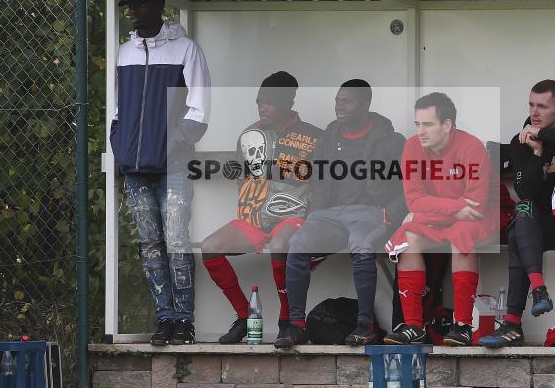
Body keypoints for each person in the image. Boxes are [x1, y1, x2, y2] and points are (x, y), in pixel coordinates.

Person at [110, 0, 211, 346]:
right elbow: (118, 110)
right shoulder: (123, 53)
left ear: (156, 8)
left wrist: (168, 145)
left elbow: (199, 112)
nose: (132, 13)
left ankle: (184, 320)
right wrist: (121, 147)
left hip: (174, 165)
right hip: (136, 167)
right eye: (130, 7)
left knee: (177, 240)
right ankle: (164, 318)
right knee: (150, 243)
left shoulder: (186, 50)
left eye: (138, 7)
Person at [274, 80, 407, 349]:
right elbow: (321, 180)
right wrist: (315, 215)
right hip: (332, 215)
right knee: (298, 243)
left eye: (347, 101)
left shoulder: (391, 140)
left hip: (371, 213)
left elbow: (408, 186)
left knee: (362, 244)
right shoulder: (330, 136)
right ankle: (296, 325)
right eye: (337, 100)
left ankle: (365, 325)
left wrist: (389, 214)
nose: (339, 106)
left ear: (366, 104)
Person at [201, 72, 323, 344]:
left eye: (271, 103)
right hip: (255, 217)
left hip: (293, 217)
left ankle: (287, 321)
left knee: (280, 245)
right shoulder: (249, 134)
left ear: (288, 104)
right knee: (210, 248)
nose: (263, 108)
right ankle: (245, 317)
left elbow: (325, 181)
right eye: (260, 102)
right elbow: (240, 176)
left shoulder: (314, 136)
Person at [384, 92, 496, 346]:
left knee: (461, 235)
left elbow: (476, 206)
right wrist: (454, 208)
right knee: (407, 237)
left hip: (477, 219)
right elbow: (414, 200)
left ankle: (463, 326)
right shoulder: (412, 146)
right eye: (417, 124)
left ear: (447, 125)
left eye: (427, 124)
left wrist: (425, 211)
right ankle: (414, 325)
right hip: (443, 218)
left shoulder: (471, 147)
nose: (420, 131)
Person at [480, 79, 555, 348]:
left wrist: (540, 137)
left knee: (520, 226)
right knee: (523, 213)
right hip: (534, 223)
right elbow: (526, 190)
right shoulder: (522, 142)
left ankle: (512, 324)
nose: (534, 111)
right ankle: (537, 292)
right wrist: (538, 154)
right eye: (531, 104)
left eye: (542, 106)